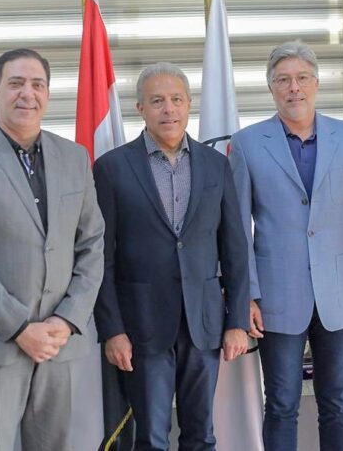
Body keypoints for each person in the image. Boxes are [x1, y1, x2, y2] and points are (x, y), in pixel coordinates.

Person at [0, 48, 105, 450]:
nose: (27, 93)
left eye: (37, 84)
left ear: (47, 94)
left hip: (59, 342)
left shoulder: (74, 157)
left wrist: (66, 320)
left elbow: (92, 245)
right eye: (15, 83)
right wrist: (21, 329)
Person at [229, 40, 343, 451]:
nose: (293, 87)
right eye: (283, 80)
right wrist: (248, 294)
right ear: (271, 87)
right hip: (277, 294)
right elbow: (238, 228)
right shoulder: (246, 143)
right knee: (281, 404)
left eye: (301, 78)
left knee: (338, 403)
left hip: (340, 293)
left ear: (316, 83)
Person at [93, 63, 250, 451]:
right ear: (140, 109)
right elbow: (101, 257)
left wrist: (237, 321)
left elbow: (234, 248)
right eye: (157, 101)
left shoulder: (216, 164)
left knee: (202, 436)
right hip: (142, 327)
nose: (169, 109)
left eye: (177, 99)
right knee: (151, 438)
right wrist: (112, 330)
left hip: (203, 324)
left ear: (189, 104)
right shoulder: (112, 168)